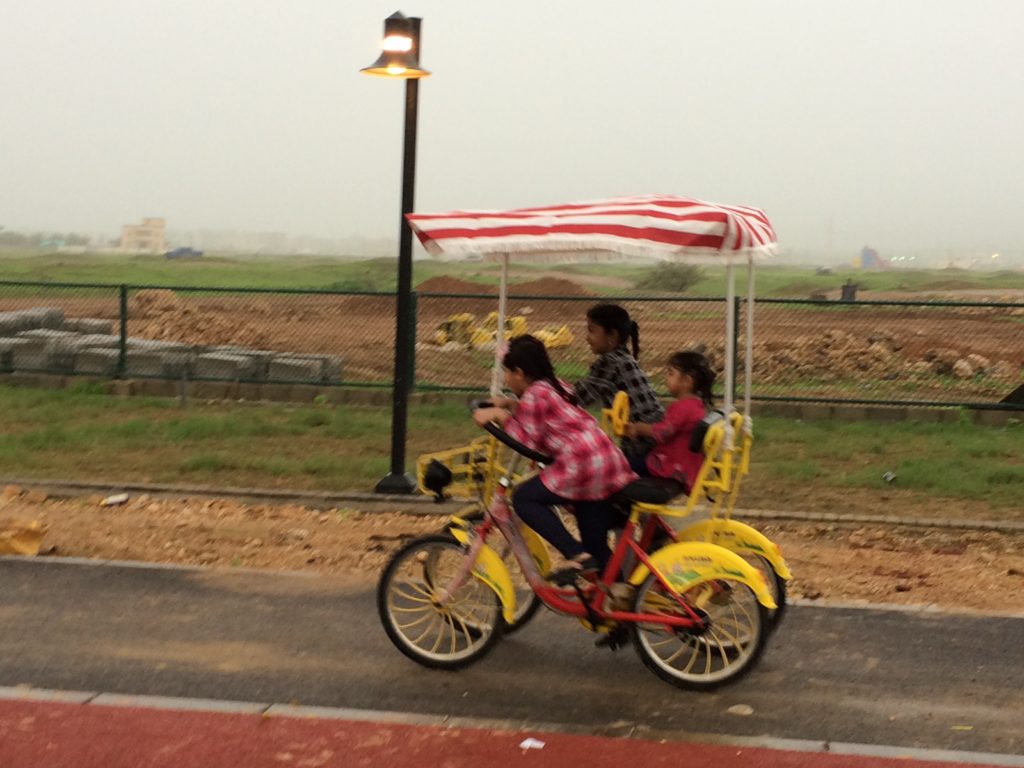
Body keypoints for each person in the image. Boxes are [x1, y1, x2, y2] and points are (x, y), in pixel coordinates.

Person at [473, 335, 636, 581]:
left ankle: (574, 554)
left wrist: (500, 415)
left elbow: (526, 441)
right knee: (594, 540)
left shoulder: (535, 395)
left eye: (507, 373)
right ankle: (615, 596)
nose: (506, 379)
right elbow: (542, 417)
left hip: (581, 464)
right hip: (604, 461)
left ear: (519, 372)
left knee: (525, 498)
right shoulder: (553, 385)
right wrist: (510, 404)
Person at [573, 303, 664, 460]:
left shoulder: (610, 362)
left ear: (612, 336)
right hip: (654, 438)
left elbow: (579, 397)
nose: (587, 337)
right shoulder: (625, 358)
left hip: (640, 445)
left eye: (592, 331)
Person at [623, 350, 715, 494]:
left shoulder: (682, 408)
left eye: (671, 373)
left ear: (687, 381)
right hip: (685, 466)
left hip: (670, 466)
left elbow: (662, 433)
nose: (666, 378)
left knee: (622, 467)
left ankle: (624, 510)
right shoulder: (697, 405)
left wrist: (639, 428)